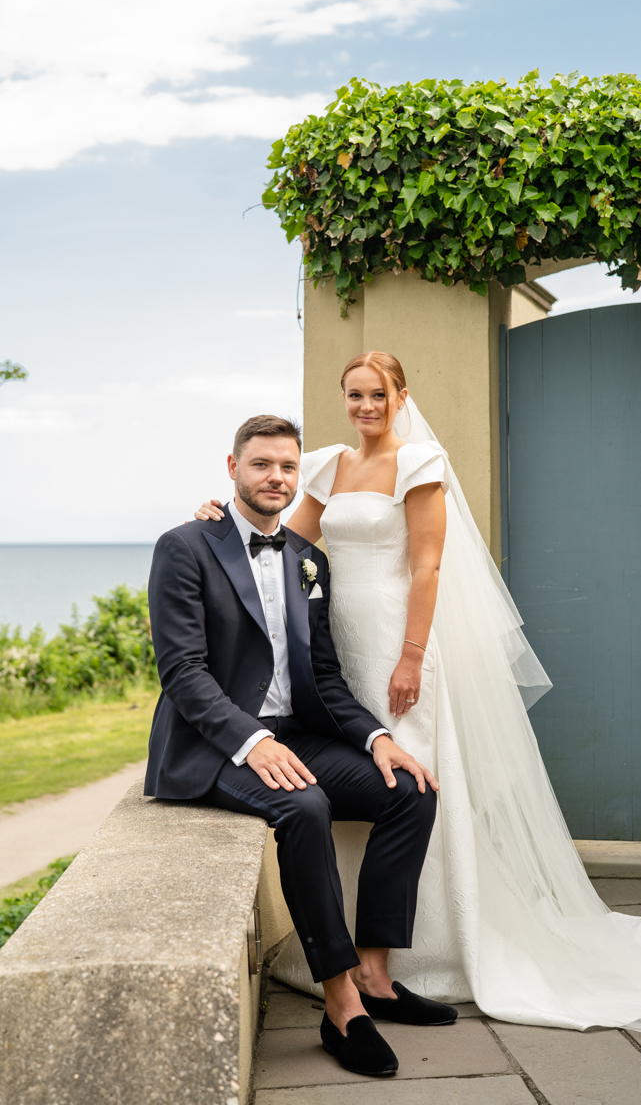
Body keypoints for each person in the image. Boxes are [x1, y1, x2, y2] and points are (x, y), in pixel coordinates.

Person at [195, 353, 641, 1052]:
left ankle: (409, 960)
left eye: (377, 394)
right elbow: (284, 542)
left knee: (413, 779)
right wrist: (220, 516)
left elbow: (427, 562)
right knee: (350, 787)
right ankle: (343, 960)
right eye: (354, 394)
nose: (365, 406)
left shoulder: (421, 462)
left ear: (401, 396)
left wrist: (413, 655)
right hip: (335, 646)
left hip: (396, 638)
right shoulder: (326, 465)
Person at [146, 413, 458, 1080]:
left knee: (410, 791)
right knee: (305, 807)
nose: (276, 477)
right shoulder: (184, 546)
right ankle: (340, 1001)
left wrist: (376, 737)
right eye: (261, 464)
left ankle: (376, 975)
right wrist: (250, 740)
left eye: (287, 466)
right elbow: (182, 672)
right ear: (232, 469)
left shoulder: (307, 560)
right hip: (215, 745)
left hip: (300, 735)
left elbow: (323, 676)